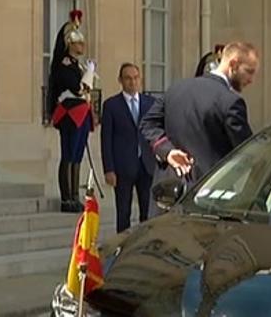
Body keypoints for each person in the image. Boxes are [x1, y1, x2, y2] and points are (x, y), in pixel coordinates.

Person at [139, 41, 259, 216]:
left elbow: (148, 124)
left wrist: (168, 152)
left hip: (165, 200)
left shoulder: (176, 89)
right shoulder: (231, 102)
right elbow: (249, 154)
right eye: (249, 72)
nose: (251, 80)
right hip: (207, 202)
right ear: (233, 64)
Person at [47, 9, 97, 213]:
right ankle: (66, 197)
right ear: (69, 43)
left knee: (77, 155)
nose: (82, 45)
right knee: (68, 154)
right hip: (70, 113)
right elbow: (77, 87)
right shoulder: (64, 65)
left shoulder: (79, 65)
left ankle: (75, 195)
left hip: (82, 113)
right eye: (78, 42)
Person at [100, 63, 156, 232]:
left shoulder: (150, 103)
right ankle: (122, 248)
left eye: (135, 78)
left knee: (148, 212)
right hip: (123, 167)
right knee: (123, 212)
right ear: (120, 80)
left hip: (146, 166)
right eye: (128, 78)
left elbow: (156, 133)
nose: (132, 82)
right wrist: (108, 169)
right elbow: (106, 139)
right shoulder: (111, 105)